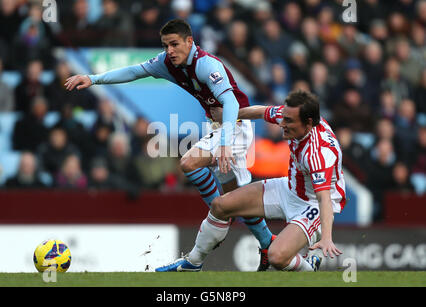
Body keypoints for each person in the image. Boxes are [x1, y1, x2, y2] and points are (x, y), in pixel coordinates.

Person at [65, 18, 274, 271]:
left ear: (189, 41)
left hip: (235, 125)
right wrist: (93, 78)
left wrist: (225, 142)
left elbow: (230, 103)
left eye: (174, 44)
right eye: (165, 45)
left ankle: (218, 221)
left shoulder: (207, 64)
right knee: (235, 196)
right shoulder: (166, 63)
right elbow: (134, 71)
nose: (169, 51)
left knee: (188, 163)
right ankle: (268, 243)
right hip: (217, 126)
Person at [156, 90, 345, 272]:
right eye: (283, 118)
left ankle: (308, 268)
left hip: (312, 204)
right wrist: (230, 116)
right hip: (290, 187)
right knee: (220, 205)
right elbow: (262, 111)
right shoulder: (294, 116)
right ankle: (193, 263)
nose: (282, 124)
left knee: (277, 257)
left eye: (288, 121)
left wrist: (327, 238)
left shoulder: (319, 154)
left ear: (308, 123)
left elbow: (324, 198)